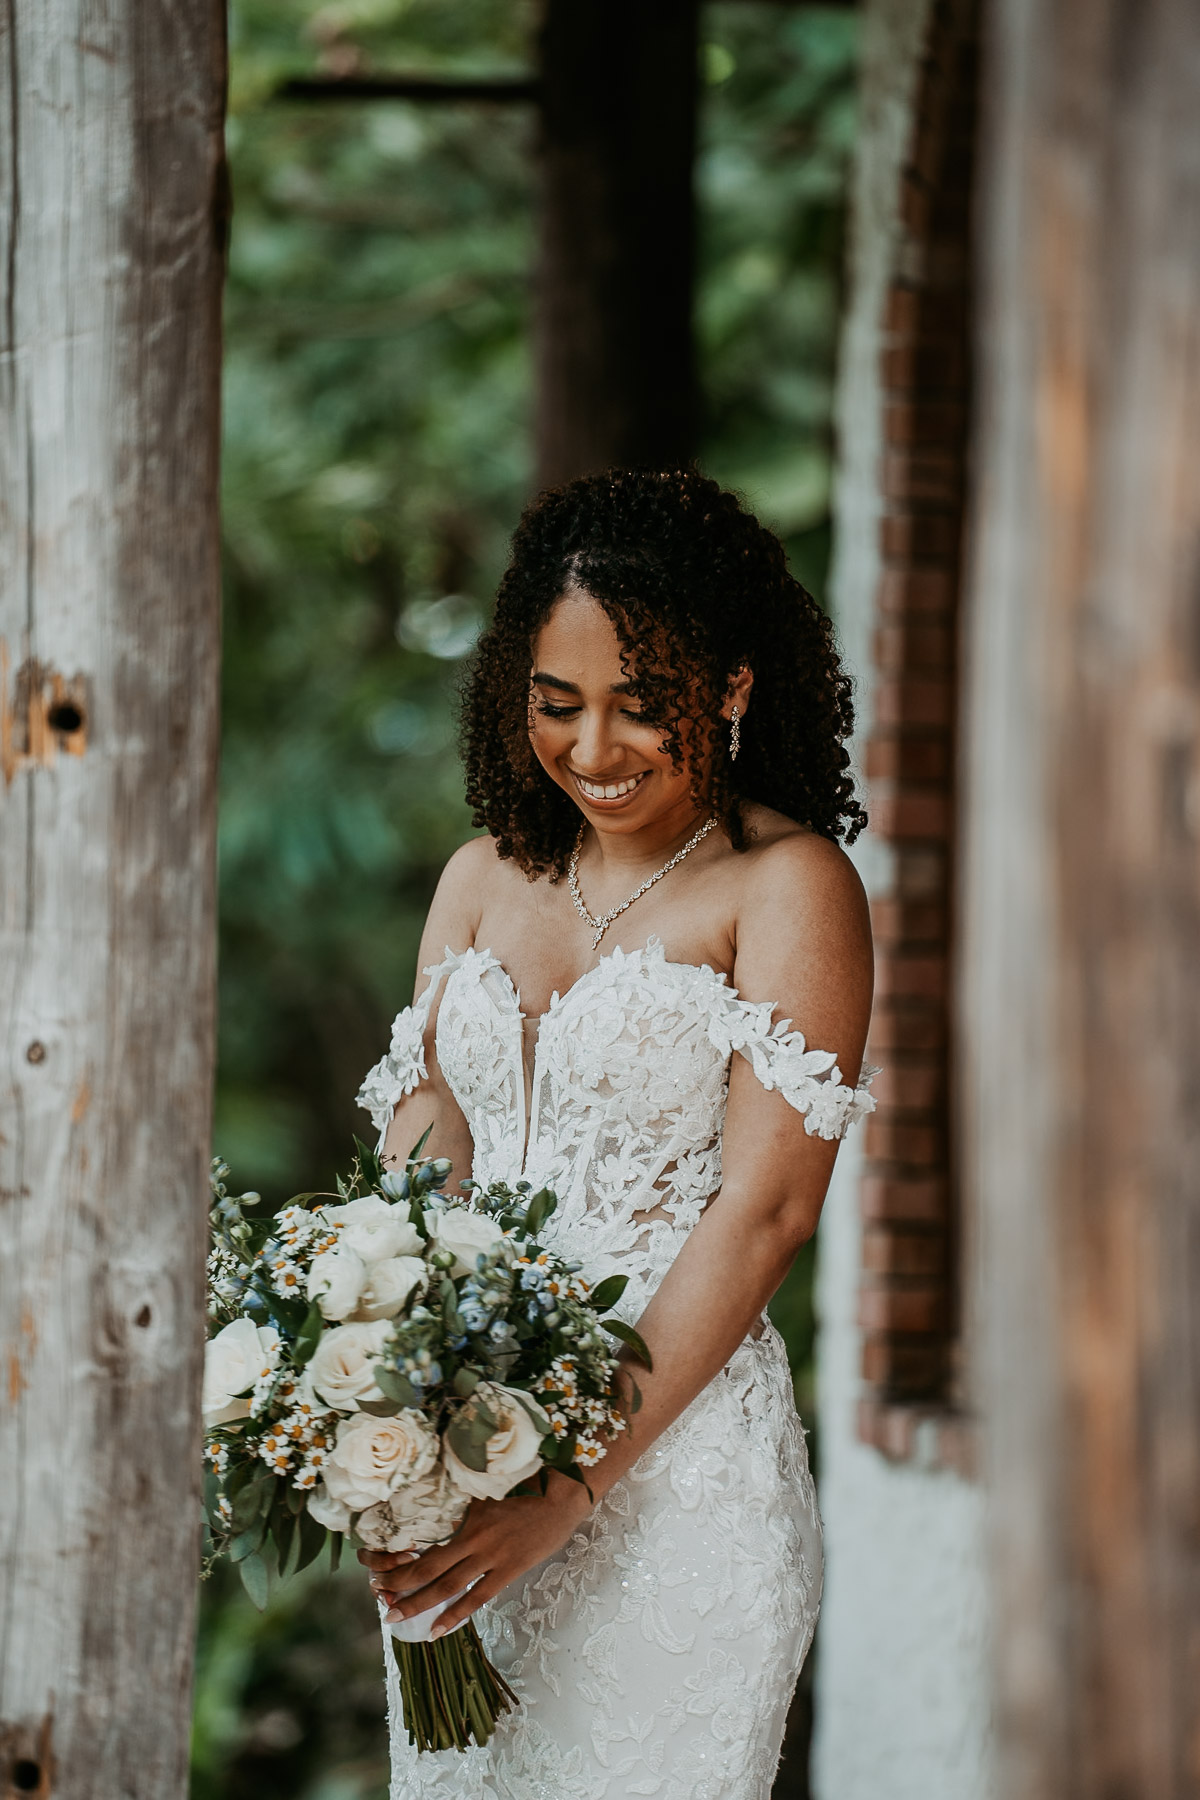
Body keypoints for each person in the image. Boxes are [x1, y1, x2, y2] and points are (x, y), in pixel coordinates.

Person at [356, 468, 874, 1799]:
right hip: (466, 1476)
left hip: (671, 1494)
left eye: (643, 705)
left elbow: (767, 1213)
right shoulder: (477, 879)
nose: (595, 750)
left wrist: (567, 1486)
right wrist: (381, 1394)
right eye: (558, 703)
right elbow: (423, 1151)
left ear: (737, 688)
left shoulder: (785, 886)